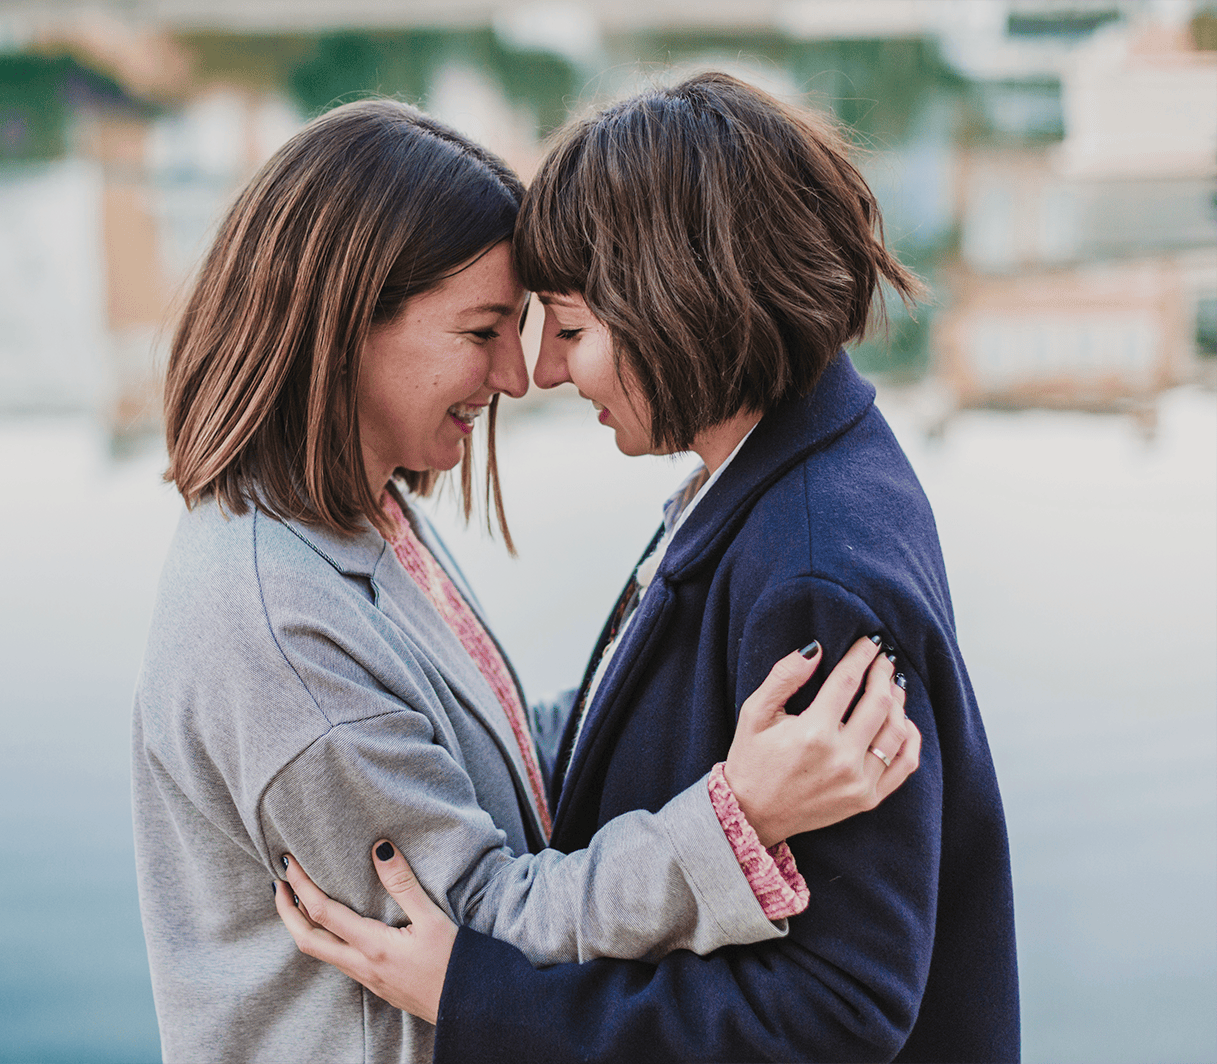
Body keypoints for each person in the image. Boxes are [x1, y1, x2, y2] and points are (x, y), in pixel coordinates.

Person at [133, 98, 919, 1064]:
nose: (518, 375)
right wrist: (735, 819)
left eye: (542, 326)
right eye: (483, 331)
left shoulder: (359, 514)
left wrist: (696, 713)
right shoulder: (279, 631)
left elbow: (479, 753)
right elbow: (480, 939)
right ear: (345, 328)